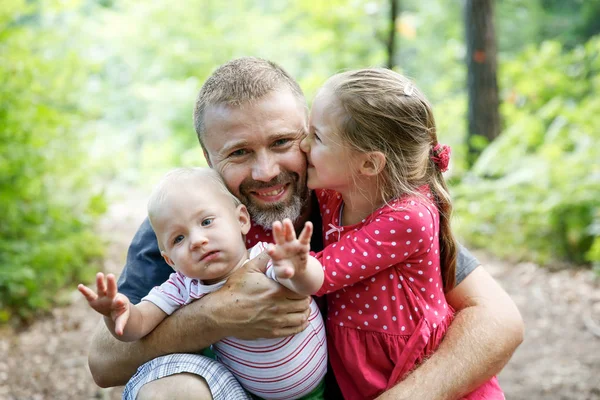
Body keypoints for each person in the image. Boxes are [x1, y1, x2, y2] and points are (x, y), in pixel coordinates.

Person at [87, 57, 524, 400]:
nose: (266, 171)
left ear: (311, 136)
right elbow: (104, 362)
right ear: (209, 161)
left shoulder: (355, 198)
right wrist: (216, 314)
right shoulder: (186, 226)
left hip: (362, 392)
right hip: (235, 388)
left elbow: (499, 319)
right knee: (168, 391)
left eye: (282, 142)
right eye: (239, 153)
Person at [298, 68, 504, 399]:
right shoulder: (334, 193)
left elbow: (322, 274)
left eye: (317, 137)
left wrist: (281, 261)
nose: (304, 146)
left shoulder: (409, 217)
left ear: (369, 164)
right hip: (369, 367)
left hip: (415, 369)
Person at [79, 167, 327, 400]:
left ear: (241, 219)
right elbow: (138, 326)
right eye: (178, 238)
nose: (197, 240)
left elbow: (310, 285)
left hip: (316, 392)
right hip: (247, 394)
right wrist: (117, 314)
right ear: (169, 260)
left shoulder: (264, 257)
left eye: (206, 222)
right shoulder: (182, 286)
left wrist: (299, 269)